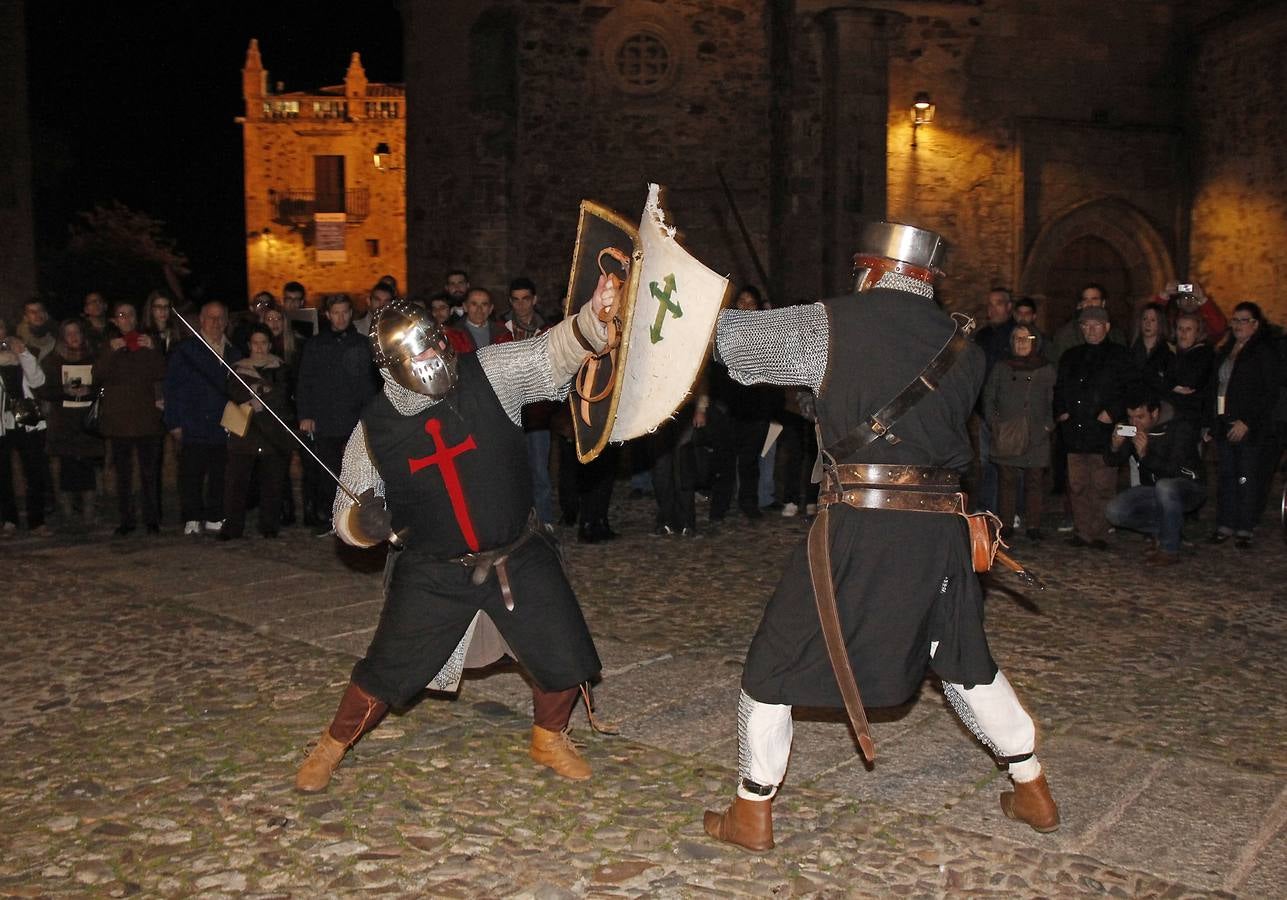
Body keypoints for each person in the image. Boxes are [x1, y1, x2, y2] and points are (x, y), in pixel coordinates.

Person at [702, 222, 1059, 852]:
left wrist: (688, 301)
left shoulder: (835, 322)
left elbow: (734, 346)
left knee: (773, 660)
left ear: (870, 270)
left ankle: (751, 812)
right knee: (964, 660)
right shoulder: (967, 346)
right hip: (942, 529)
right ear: (929, 282)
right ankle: (1033, 789)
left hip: (859, 525)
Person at [294, 283, 616, 793]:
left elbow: (551, 353)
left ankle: (549, 736)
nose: (432, 356)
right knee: (385, 671)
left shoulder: (489, 373)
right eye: (417, 351)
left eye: (435, 342)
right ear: (391, 365)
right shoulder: (374, 428)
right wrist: (363, 524)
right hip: (434, 570)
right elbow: (345, 516)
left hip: (517, 553)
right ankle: (332, 745)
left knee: (568, 654)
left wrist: (594, 316)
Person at [295, 294, 379, 534]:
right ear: (328, 315)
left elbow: (370, 384)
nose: (341, 317)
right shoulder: (315, 345)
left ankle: (358, 519)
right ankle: (329, 518)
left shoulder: (363, 344)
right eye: (336, 312)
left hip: (355, 418)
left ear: (351, 313)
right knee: (327, 472)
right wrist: (306, 414)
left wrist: (370, 417)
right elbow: (305, 382)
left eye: (345, 312)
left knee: (358, 472)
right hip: (325, 418)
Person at [1053, 307, 1133, 549]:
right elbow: (1059, 388)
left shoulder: (1120, 355)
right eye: (1086, 325)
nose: (1090, 330)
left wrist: (1113, 412)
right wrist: (1061, 413)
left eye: (1096, 325)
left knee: (1102, 484)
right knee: (1077, 484)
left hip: (1101, 431)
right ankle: (1083, 530)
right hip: (1075, 430)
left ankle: (1100, 532)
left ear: (1107, 327)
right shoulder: (1070, 355)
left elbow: (1128, 388)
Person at [1208, 302, 1281, 548]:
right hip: (1224, 421)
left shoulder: (1262, 351)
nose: (1238, 325)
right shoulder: (1228, 349)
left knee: (1245, 477)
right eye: (1235, 320)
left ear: (1255, 324)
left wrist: (1247, 421)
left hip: (1248, 426)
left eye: (1243, 320)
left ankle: (1245, 527)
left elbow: (1268, 392)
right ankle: (1225, 523)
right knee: (1227, 476)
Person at [165, 301, 241, 535]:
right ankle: (192, 516)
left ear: (227, 321)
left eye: (220, 318)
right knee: (192, 474)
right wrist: (174, 422)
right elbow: (173, 387)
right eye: (210, 317)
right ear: (201, 319)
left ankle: (215, 514)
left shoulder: (234, 352)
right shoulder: (186, 350)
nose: (215, 323)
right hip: (193, 421)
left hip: (223, 423)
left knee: (220, 473)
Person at [1105, 390, 1205, 566]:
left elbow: (1174, 470)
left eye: (1140, 417)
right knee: (1115, 511)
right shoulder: (1134, 429)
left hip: (1188, 487)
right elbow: (1112, 461)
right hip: (1154, 489)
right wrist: (1114, 446)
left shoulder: (1180, 427)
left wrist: (1145, 454)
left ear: (1155, 413)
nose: (1135, 422)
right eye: (1131, 417)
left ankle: (1169, 550)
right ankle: (1167, 532)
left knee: (1165, 487)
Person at [95, 302, 167, 536]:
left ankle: (152, 519)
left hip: (146, 421)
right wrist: (110, 351)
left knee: (149, 473)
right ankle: (127, 519)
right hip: (119, 422)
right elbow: (97, 375)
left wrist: (154, 349)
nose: (126, 319)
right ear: (115, 320)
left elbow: (161, 373)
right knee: (123, 475)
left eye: (130, 314)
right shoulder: (108, 345)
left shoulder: (147, 344)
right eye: (121, 315)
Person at [983, 325, 1055, 541]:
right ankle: (1006, 523)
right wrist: (995, 422)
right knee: (1007, 480)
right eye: (1017, 338)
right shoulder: (1002, 367)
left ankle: (1033, 524)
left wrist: (1048, 425)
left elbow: (1054, 398)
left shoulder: (1046, 369)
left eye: (1027, 338)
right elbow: (989, 396)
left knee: (1034, 480)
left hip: (1036, 433)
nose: (1022, 342)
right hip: (1008, 432)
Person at [222, 325, 293, 540]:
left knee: (272, 483)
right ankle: (233, 526)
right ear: (249, 345)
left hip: (273, 434)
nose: (259, 347)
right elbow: (236, 392)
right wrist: (260, 393)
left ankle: (269, 525)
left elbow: (282, 395)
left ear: (270, 345)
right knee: (237, 484)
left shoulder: (281, 368)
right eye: (255, 343)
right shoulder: (238, 368)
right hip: (245, 433)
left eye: (264, 342)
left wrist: (258, 395)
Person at [37, 320, 105, 530]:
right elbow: (43, 390)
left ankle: (88, 514)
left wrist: (91, 391)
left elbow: (104, 386)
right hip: (64, 424)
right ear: (62, 337)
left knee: (87, 469)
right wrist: (64, 390)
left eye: (77, 332)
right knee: (66, 469)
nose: (74, 337)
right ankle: (67, 515)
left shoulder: (95, 359)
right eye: (69, 333)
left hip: (87, 423)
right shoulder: (53, 361)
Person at [504, 277, 557, 526]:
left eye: (526, 299)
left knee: (539, 470)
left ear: (534, 300)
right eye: (516, 300)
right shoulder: (502, 331)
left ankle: (544, 521)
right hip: (509, 412)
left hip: (537, 412)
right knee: (512, 472)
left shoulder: (547, 331)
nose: (521, 305)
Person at [0, 320, 50, 537]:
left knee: (34, 470)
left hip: (27, 418)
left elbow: (38, 380)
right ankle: (8, 519)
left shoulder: (19, 350)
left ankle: (36, 520)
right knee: (2, 473)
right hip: (2, 421)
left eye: (0, 327)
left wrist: (23, 353)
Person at [1166, 312, 1215, 426]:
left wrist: (1167, 383)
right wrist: (1172, 385)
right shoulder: (1168, 352)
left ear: (1197, 333)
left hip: (1191, 417)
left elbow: (1189, 382)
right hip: (1170, 414)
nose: (1183, 333)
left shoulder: (1205, 354)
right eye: (1180, 328)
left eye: (1188, 329)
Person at [1128, 302, 1174, 397]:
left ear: (1160, 323)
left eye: (1153, 320)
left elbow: (1168, 382)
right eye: (1145, 319)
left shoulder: (1167, 351)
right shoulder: (1131, 350)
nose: (1147, 324)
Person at [449, 287, 513, 352]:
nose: (479, 309)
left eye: (484, 304)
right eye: (474, 304)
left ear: (490, 309)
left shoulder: (503, 333)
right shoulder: (453, 335)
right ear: (465, 307)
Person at [143, 290, 183, 356]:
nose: (163, 310)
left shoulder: (177, 331)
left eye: (166, 306)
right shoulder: (145, 334)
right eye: (158, 306)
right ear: (151, 309)